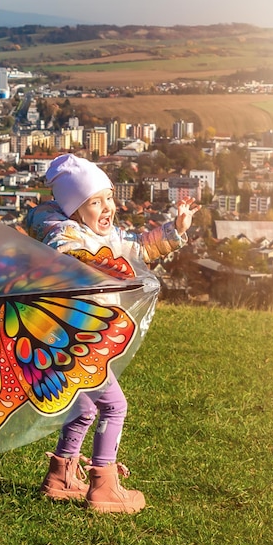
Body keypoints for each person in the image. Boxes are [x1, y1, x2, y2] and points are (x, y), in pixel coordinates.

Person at [24, 153, 197, 513]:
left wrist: (175, 230)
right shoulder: (67, 240)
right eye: (95, 202)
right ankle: (104, 487)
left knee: (85, 408)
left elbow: (135, 249)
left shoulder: (98, 235)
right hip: (75, 340)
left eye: (109, 197)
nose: (108, 207)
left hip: (82, 340)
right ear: (74, 210)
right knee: (115, 407)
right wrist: (106, 265)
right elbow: (76, 255)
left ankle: (61, 476)